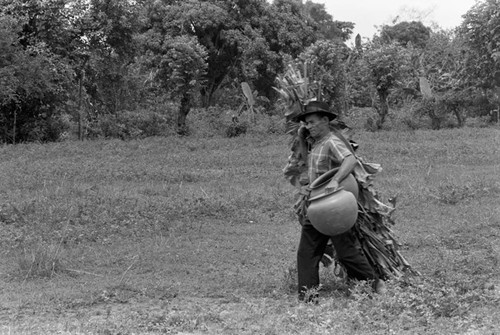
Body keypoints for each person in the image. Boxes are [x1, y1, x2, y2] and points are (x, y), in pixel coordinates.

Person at [286, 101, 385, 302]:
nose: (309, 126)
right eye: (307, 123)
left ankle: (376, 285)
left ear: (325, 120)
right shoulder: (315, 145)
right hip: (317, 206)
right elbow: (312, 174)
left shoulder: (332, 141)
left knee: (347, 252)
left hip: (334, 207)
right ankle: (307, 298)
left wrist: (336, 181)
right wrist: (306, 187)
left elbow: (350, 160)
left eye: (313, 122)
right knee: (307, 253)